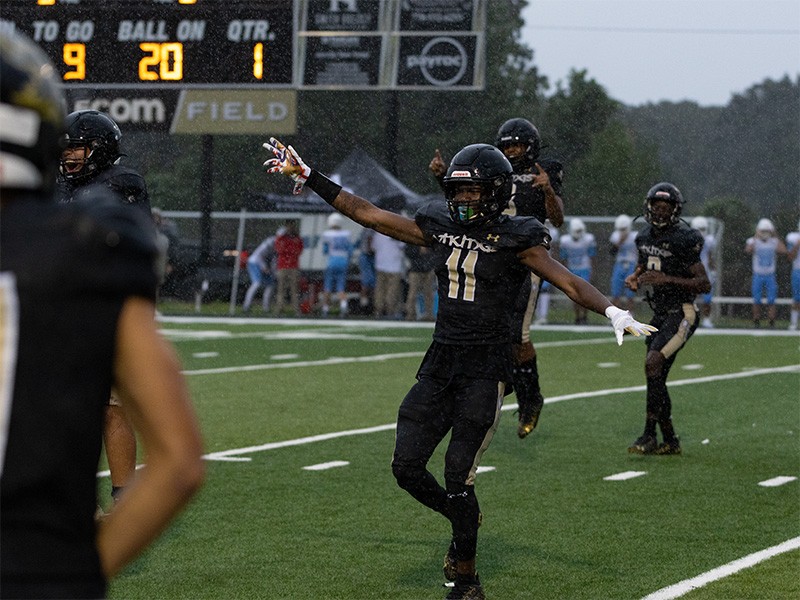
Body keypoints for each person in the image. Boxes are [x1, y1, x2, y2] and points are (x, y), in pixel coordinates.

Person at [263, 138, 654, 600]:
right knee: (406, 466)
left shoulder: (517, 237)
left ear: (495, 191)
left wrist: (613, 313)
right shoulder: (438, 223)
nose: (464, 200)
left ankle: (466, 580)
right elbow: (367, 213)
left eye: (474, 192)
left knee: (457, 473)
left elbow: (568, 280)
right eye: (458, 191)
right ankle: (461, 518)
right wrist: (310, 176)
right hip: (441, 360)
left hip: (486, 368)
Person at [0, 30, 204, 598]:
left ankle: (118, 490)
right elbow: (183, 460)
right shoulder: (86, 241)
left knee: (109, 408)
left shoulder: (108, 202)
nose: (68, 156)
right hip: (30, 566)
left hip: (87, 308)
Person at [431, 117, 566, 438]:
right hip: (490, 257)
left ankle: (529, 397)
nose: (513, 151)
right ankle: (486, 389)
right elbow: (465, 200)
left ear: (531, 146)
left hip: (524, 258)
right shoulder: (493, 167)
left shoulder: (542, 170)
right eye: (507, 146)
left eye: (518, 145)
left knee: (517, 335)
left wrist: (547, 189)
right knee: (487, 330)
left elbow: (558, 218)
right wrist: (442, 178)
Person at [56, 108, 153, 510]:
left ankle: (123, 497)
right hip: (63, 311)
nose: (69, 156)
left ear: (99, 149)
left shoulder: (121, 185)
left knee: (112, 407)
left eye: (77, 148)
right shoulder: (62, 185)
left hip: (107, 310)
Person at [624, 183, 710, 456]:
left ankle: (651, 435)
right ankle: (667, 439)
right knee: (655, 374)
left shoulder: (684, 239)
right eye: (657, 207)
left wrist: (667, 279)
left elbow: (704, 283)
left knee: (653, 363)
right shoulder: (644, 236)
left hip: (683, 312)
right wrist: (635, 277)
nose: (661, 213)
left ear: (675, 210)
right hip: (659, 314)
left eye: (666, 208)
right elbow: (644, 262)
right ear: (649, 208)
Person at [745, 218, 786, 328]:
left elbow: (783, 250)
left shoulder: (774, 241)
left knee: (771, 300)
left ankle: (771, 322)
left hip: (770, 275)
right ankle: (756, 321)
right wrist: (756, 236)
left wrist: (775, 235)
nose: (764, 234)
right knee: (756, 300)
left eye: (766, 231)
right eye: (762, 231)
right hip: (757, 275)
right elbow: (748, 250)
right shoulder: (753, 241)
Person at [559, 217, 596, 324]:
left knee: (585, 295)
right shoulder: (565, 241)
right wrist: (564, 273)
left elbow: (592, 256)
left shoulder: (588, 239)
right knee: (575, 296)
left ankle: (584, 316)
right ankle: (577, 317)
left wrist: (593, 271)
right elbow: (563, 258)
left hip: (585, 269)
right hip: (572, 270)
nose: (578, 233)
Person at [320, 213, 353, 317]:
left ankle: (325, 309)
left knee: (328, 287)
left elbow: (325, 250)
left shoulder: (327, 234)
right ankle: (343, 306)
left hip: (332, 261)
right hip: (343, 262)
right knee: (341, 287)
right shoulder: (346, 234)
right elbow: (350, 251)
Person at [243, 229, 280, 314]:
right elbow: (259, 256)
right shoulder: (269, 242)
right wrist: (264, 267)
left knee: (271, 285)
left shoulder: (280, 245)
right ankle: (246, 307)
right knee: (257, 283)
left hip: (265, 265)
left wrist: (273, 272)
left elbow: (274, 261)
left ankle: (266, 308)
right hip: (254, 263)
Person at [272, 220, 304, 316]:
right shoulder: (282, 238)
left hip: (293, 266)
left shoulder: (297, 238)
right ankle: (279, 309)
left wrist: (289, 250)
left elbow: (299, 250)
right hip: (283, 266)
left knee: (294, 289)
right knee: (281, 289)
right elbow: (279, 249)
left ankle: (296, 309)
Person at [372, 231, 406, 319]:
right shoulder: (397, 233)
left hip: (381, 264)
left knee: (380, 290)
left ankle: (378, 310)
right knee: (392, 290)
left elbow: (373, 247)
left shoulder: (378, 234)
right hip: (394, 265)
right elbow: (403, 245)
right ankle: (390, 310)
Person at [690, 216, 717, 328]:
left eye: (703, 229)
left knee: (707, 299)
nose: (701, 232)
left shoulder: (709, 240)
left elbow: (710, 256)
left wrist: (713, 269)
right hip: (692, 272)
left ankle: (706, 319)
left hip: (705, 272)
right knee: (691, 298)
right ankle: (691, 319)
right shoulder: (688, 240)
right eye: (699, 229)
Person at [533, 220, 560, 325]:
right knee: (534, 289)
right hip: (535, 262)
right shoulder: (534, 229)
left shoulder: (553, 232)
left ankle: (543, 316)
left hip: (547, 263)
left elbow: (555, 249)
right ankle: (535, 315)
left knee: (544, 290)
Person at [609, 214, 637, 312]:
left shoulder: (635, 236)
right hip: (619, 264)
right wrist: (620, 241)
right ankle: (615, 315)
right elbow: (612, 252)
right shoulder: (615, 236)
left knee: (630, 293)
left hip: (631, 265)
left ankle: (631, 315)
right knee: (615, 292)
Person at [404, 243, 436, 321]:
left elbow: (435, 252)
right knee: (412, 293)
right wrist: (418, 250)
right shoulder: (413, 240)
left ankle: (429, 314)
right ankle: (410, 314)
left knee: (428, 293)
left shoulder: (429, 240)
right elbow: (408, 252)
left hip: (428, 268)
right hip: (415, 269)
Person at [357, 228, 376, 313]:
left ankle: (367, 305)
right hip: (367, 256)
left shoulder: (366, 229)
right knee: (367, 282)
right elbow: (369, 239)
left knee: (370, 282)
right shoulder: (370, 229)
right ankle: (365, 306)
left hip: (367, 256)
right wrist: (371, 250)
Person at [787, 219, 800, 331]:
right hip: (797, 270)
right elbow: (791, 257)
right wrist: (797, 244)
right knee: (797, 299)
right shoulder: (793, 237)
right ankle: (794, 323)